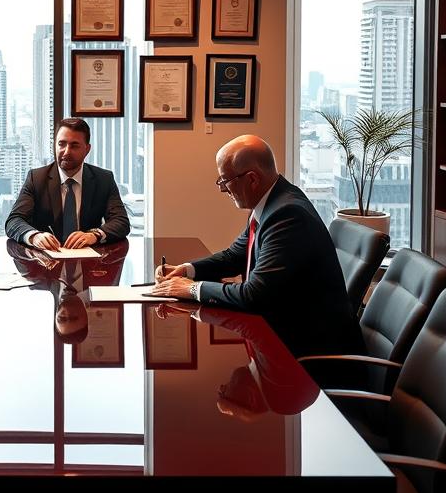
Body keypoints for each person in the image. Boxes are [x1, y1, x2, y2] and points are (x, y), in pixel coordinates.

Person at [150, 134, 363, 360]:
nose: (222, 189)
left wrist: (192, 289)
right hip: (285, 335)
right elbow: (235, 255)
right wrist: (187, 270)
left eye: (225, 180)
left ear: (252, 179)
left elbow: (254, 295)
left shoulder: (287, 215)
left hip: (312, 354)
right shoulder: (271, 204)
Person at [5, 117, 130, 250]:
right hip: (46, 262)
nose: (66, 151)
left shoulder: (103, 179)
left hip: (89, 261)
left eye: (74, 145)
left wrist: (95, 235)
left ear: (87, 149)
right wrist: (34, 236)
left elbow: (121, 222)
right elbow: (14, 220)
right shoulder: (36, 179)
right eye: (61, 144)